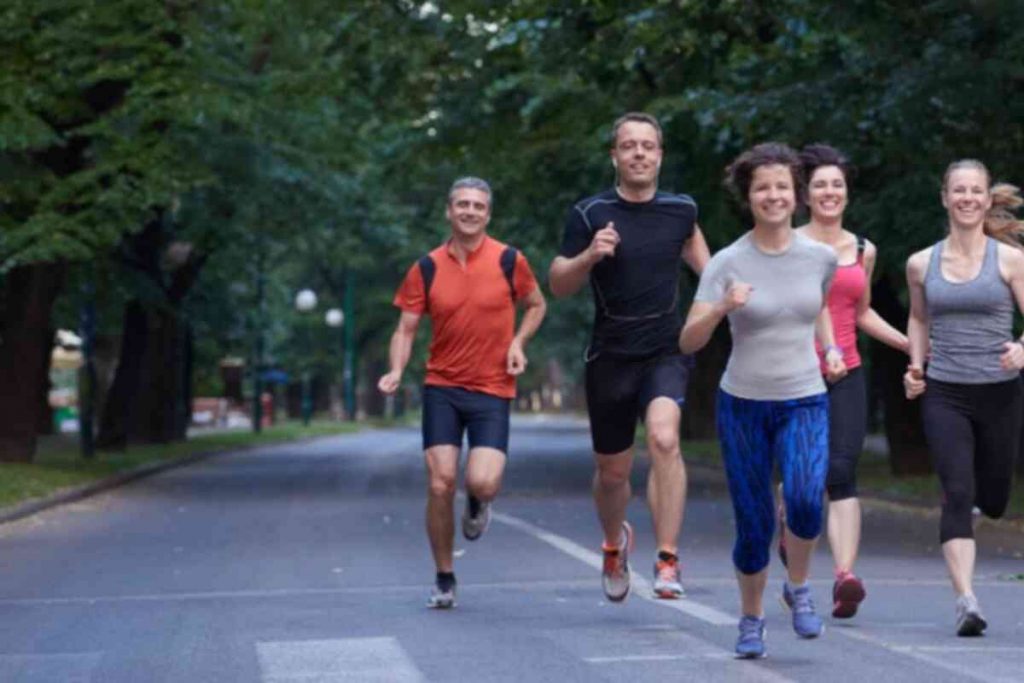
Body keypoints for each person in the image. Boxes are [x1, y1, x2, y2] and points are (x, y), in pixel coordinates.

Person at [680, 142, 844, 658]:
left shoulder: (820, 257)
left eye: (781, 187)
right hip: (743, 403)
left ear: (795, 195)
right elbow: (688, 340)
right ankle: (751, 619)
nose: (773, 196)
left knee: (803, 498)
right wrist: (722, 307)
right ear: (748, 197)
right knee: (753, 523)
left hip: (804, 398)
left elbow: (813, 307)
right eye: (761, 188)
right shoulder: (727, 262)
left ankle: (798, 587)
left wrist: (831, 347)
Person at [549, 112, 710, 603]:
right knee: (613, 472)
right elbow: (557, 283)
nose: (639, 153)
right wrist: (589, 256)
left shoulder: (682, 211)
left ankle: (667, 559)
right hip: (610, 356)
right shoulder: (589, 213)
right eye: (628, 146)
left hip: (665, 349)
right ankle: (613, 543)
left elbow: (713, 272)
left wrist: (737, 305)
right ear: (614, 156)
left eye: (648, 146)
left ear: (660, 155)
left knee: (664, 440)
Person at [378, 177, 547, 609]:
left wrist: (518, 343)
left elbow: (537, 305)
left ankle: (477, 502)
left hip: (493, 388)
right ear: (449, 212)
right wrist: (397, 368)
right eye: (462, 204)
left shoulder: (510, 260)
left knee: (483, 481)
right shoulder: (427, 267)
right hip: (443, 388)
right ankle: (444, 575)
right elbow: (406, 327)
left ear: (487, 214)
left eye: (478, 205)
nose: (470, 211)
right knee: (440, 483)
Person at [776, 144, 908, 619]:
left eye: (837, 185)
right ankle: (790, 534)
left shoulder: (863, 249)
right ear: (805, 195)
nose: (830, 192)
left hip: (847, 372)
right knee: (802, 485)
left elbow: (863, 311)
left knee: (841, 472)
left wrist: (909, 345)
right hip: (793, 373)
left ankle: (844, 578)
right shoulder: (786, 243)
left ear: (846, 193)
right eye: (820, 186)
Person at [903, 159, 1024, 636]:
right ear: (945, 198)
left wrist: (1022, 348)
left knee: (992, 498)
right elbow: (918, 319)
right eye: (959, 190)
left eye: (976, 190)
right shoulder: (920, 263)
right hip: (946, 391)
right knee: (957, 491)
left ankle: (984, 502)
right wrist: (916, 365)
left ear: (987, 198)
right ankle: (966, 601)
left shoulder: (1010, 260)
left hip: (999, 392)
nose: (968, 198)